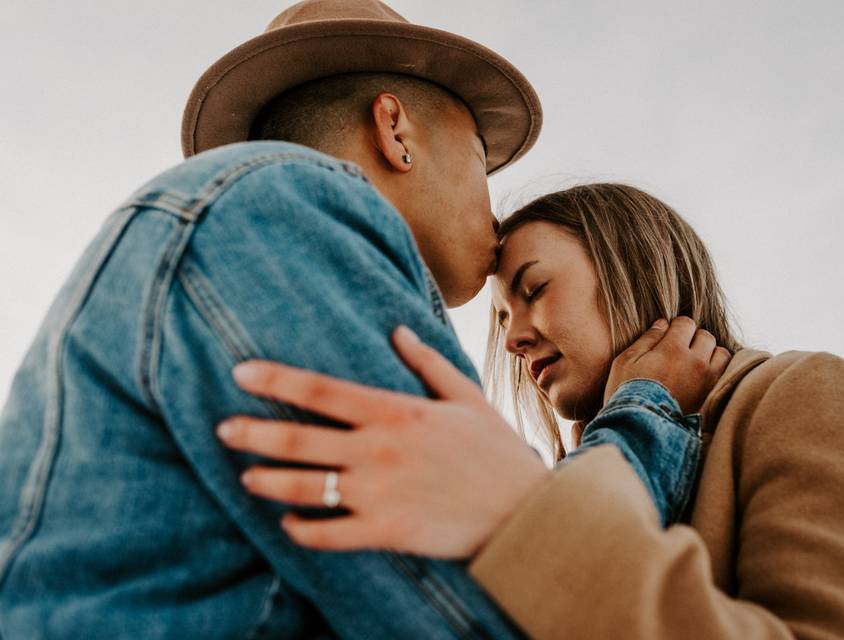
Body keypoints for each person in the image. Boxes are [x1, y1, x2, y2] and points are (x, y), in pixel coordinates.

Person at [0, 2, 725, 638]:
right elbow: (507, 614)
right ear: (394, 129)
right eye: (480, 158)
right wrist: (647, 411)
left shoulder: (250, 227)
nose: (494, 208)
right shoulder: (288, 213)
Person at [220, 183, 844, 639]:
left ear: (632, 264)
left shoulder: (798, 392)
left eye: (534, 289)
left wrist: (520, 520)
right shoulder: (579, 476)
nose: (514, 334)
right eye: (501, 317)